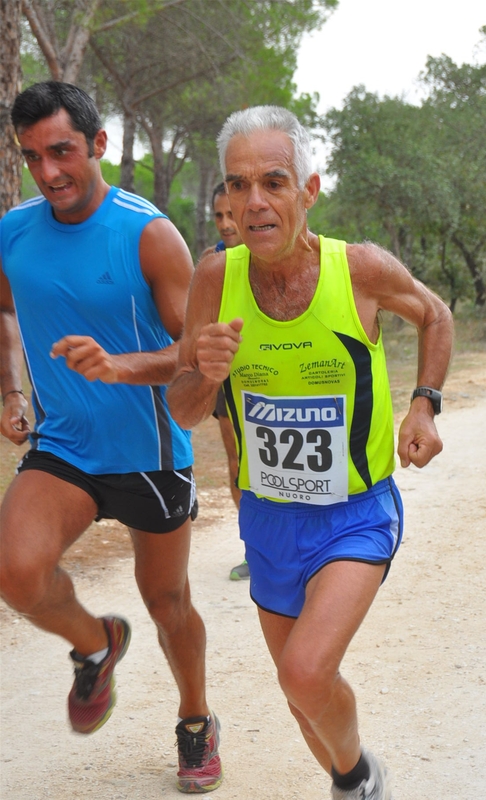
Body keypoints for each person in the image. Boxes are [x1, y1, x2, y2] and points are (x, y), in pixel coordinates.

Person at [166, 105, 453, 800]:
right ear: (225, 199)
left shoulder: (356, 269)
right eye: (238, 185)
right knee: (300, 696)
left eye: (273, 181)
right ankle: (350, 779)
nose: (255, 201)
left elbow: (435, 313)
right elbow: (183, 409)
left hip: (355, 513)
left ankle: (358, 776)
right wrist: (201, 370)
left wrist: (424, 403)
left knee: (303, 672)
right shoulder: (214, 278)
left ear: (308, 189)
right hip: (268, 520)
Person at [0, 81, 222, 794]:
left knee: (167, 602)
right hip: (63, 446)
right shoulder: (14, 231)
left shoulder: (147, 232)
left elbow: (199, 350)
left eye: (61, 151)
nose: (48, 172)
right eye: (32, 156)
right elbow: (6, 310)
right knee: (16, 574)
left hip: (149, 451)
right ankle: (96, 644)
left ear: (99, 145)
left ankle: (195, 723)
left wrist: (121, 366)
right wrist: (10, 390)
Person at [204, 183, 248, 581]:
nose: (224, 223)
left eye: (230, 214)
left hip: (268, 376)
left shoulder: (267, 256)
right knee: (238, 462)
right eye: (218, 216)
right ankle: (255, 547)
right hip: (224, 379)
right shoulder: (210, 263)